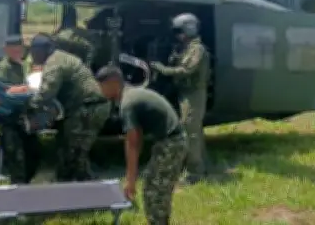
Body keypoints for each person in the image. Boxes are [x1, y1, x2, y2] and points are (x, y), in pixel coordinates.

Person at [12, 33, 111, 182]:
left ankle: (81, 185)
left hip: (88, 107)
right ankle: (83, 182)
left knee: (73, 152)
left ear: (43, 50)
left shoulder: (54, 63)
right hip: (88, 106)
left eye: (34, 52)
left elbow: (46, 93)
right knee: (73, 151)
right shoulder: (59, 57)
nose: (32, 56)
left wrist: (26, 106)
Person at [96, 66, 187, 225]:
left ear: (113, 83)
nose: (100, 92)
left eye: (101, 87)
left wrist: (130, 180)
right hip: (171, 141)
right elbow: (138, 137)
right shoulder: (131, 94)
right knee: (156, 188)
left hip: (171, 143)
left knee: (154, 192)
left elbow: (132, 142)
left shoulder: (127, 103)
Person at [149, 13, 210, 184]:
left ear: (189, 30)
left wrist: (163, 69)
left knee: (190, 132)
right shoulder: (186, 48)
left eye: (179, 31)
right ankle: (201, 165)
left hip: (194, 93)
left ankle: (194, 173)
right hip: (185, 92)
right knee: (194, 130)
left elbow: (186, 70)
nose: (177, 35)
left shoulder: (197, 49)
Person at [0, 36, 42, 184]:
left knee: (33, 154)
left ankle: (26, 184)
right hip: (9, 120)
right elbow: (0, 92)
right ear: (6, 50)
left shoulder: (23, 66)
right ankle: (18, 187)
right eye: (12, 50)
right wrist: (25, 89)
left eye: (19, 50)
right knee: (16, 159)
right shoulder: (3, 69)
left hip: (25, 117)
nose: (16, 52)